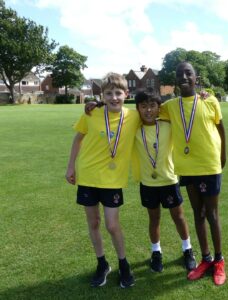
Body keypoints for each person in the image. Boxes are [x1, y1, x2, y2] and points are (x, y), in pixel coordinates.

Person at [65, 72, 140, 288]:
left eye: (118, 93)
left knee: (112, 225)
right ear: (102, 95)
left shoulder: (133, 116)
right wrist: (71, 166)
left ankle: (124, 265)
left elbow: (156, 112)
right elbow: (78, 138)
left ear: (126, 93)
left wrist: (203, 96)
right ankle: (102, 263)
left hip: (113, 180)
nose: (114, 97)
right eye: (109, 93)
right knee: (94, 223)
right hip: (88, 176)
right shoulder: (91, 113)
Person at [159, 62, 227, 286]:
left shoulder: (209, 100)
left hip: (208, 165)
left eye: (188, 73)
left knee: (212, 214)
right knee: (197, 213)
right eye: (180, 74)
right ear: (176, 80)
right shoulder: (169, 106)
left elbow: (220, 128)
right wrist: (98, 104)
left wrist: (223, 155)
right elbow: (145, 108)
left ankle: (219, 260)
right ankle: (206, 259)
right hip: (187, 168)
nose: (184, 77)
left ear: (196, 78)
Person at [132, 91, 196, 273]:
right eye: (143, 106)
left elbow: (186, 113)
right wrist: (97, 105)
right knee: (154, 219)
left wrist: (205, 94)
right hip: (148, 184)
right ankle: (156, 252)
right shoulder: (134, 129)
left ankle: (187, 250)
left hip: (169, 180)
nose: (148, 110)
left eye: (152, 105)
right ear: (137, 108)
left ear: (159, 108)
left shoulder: (168, 126)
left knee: (179, 216)